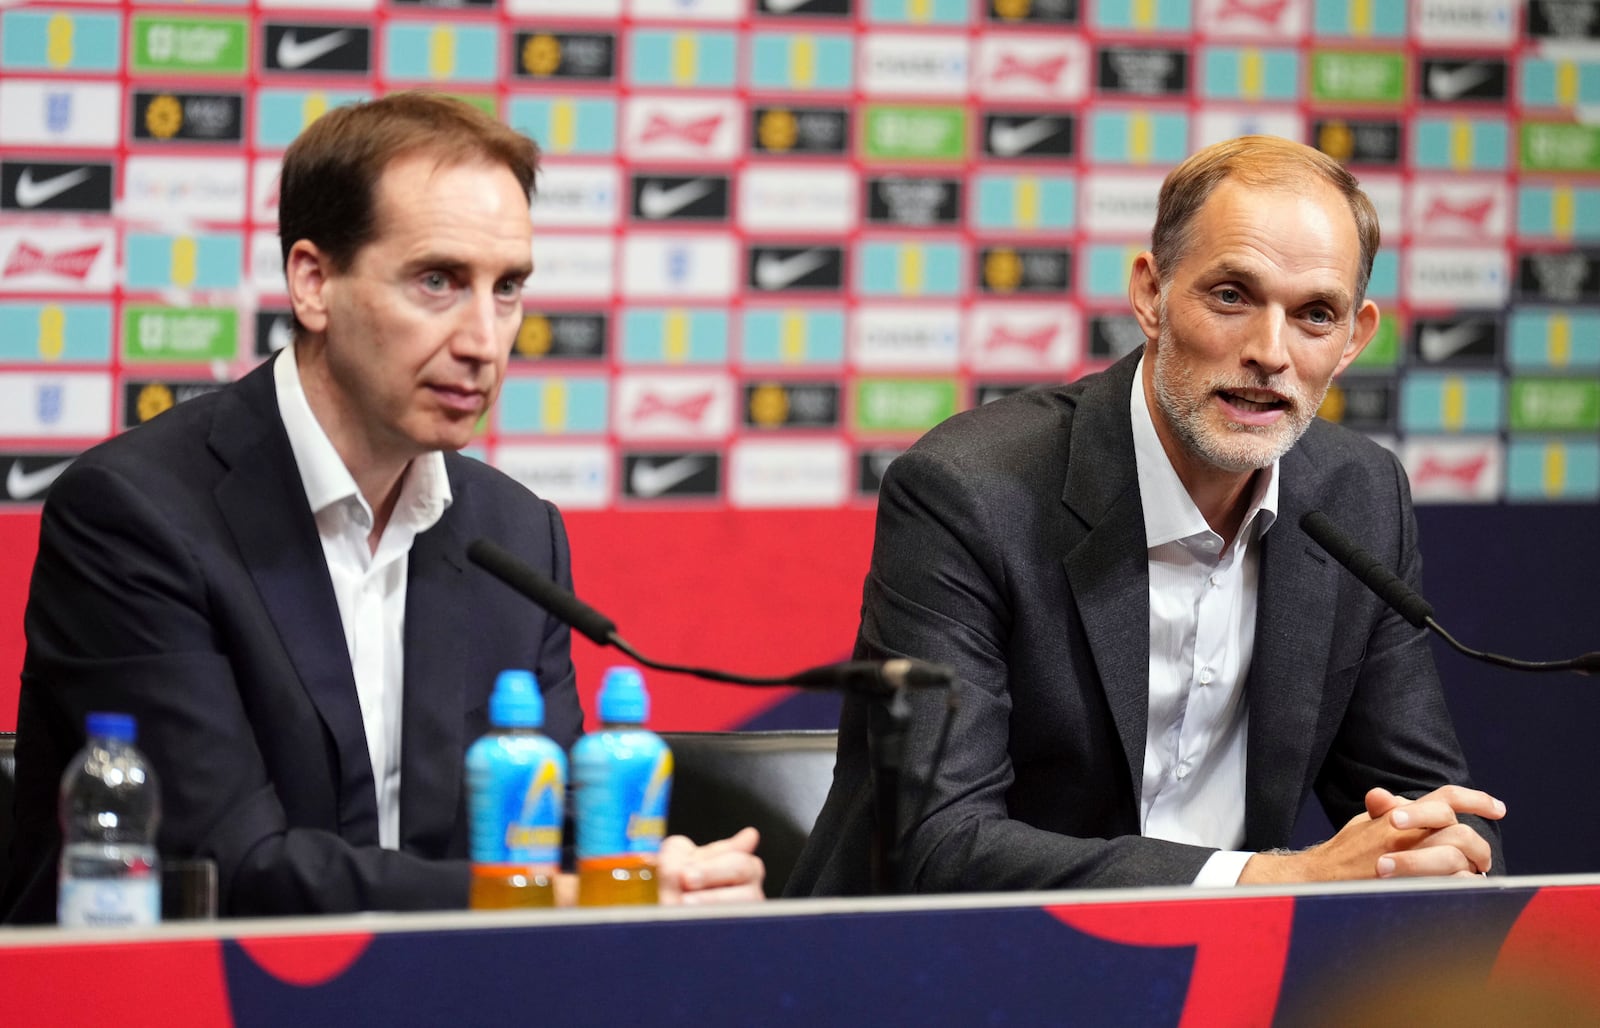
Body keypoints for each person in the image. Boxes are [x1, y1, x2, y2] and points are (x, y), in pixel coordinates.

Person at [2, 91, 762, 922]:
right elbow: (230, 871)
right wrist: (571, 894)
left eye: (506, 289)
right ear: (314, 282)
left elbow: (554, 835)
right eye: (438, 281)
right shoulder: (137, 516)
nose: (483, 340)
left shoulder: (513, 535)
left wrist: (651, 871)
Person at [789, 135, 1504, 896]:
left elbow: (1425, 804)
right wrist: (1263, 879)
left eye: (1314, 315)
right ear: (1150, 295)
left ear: (1354, 338)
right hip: (955, 968)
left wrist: (1437, 848)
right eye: (1232, 296)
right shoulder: (970, 492)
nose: (1270, 351)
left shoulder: (1358, 496)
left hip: (1220, 985)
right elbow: (938, 842)